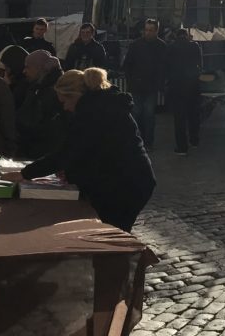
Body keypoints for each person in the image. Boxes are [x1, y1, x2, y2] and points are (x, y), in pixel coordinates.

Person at [21, 68, 156, 231]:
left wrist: (26, 173)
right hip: (131, 179)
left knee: (110, 235)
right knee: (112, 232)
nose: (65, 108)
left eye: (64, 102)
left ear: (75, 96)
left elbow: (68, 152)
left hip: (124, 184)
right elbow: (91, 150)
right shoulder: (103, 104)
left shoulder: (92, 111)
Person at [121, 19, 168, 150]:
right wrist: (131, 81)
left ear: (156, 31)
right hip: (137, 85)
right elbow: (127, 65)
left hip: (150, 87)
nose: (147, 33)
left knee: (148, 115)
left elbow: (163, 67)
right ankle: (139, 140)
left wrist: (159, 83)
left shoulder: (161, 46)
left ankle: (148, 142)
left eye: (150, 30)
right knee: (137, 114)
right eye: (146, 30)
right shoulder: (136, 45)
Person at [16, 50, 66, 158]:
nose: (24, 71)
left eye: (27, 67)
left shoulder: (50, 92)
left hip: (42, 153)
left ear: (39, 68)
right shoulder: (38, 86)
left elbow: (32, 122)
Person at [167, 28, 203, 155]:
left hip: (177, 86)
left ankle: (182, 147)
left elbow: (167, 66)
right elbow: (200, 64)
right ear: (187, 36)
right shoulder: (195, 46)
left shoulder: (171, 47)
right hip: (193, 85)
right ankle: (194, 140)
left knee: (179, 118)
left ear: (176, 36)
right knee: (194, 114)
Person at [0, 44, 30, 109]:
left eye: (7, 66)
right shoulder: (19, 80)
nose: (6, 70)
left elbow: (9, 105)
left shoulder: (23, 86)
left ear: (14, 65)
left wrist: (8, 86)